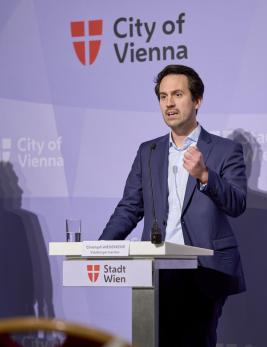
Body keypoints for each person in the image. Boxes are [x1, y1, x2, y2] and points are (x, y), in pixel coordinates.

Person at [99, 64, 247, 346]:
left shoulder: (225, 150)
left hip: (204, 269)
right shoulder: (148, 151)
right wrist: (101, 247)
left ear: (197, 101)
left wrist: (206, 175)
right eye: (163, 96)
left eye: (177, 94)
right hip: (155, 269)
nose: (169, 103)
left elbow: (237, 203)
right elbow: (130, 207)